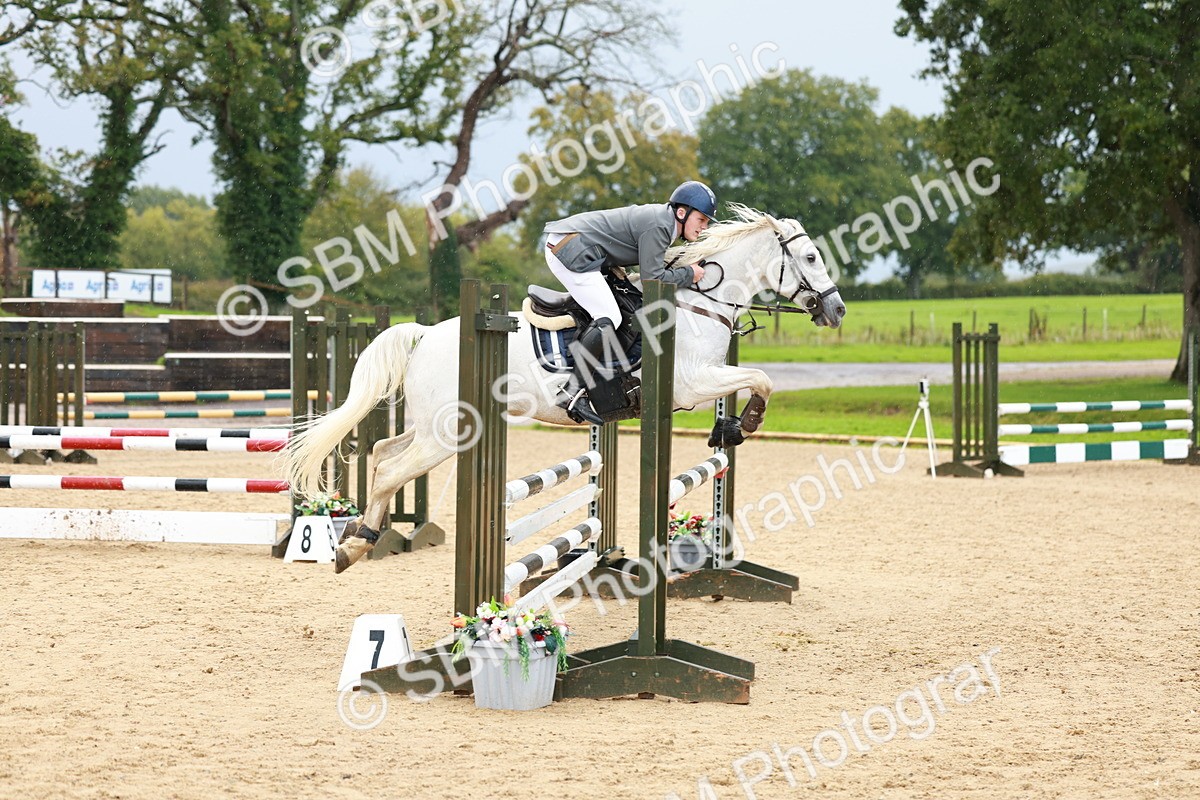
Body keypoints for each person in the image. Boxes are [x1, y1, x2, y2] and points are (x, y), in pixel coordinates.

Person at [543, 180, 717, 424]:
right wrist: (690, 274)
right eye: (701, 220)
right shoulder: (660, 226)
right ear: (682, 212)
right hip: (568, 248)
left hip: (578, 245)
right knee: (610, 316)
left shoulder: (664, 222)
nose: (704, 227)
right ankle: (572, 391)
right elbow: (652, 280)